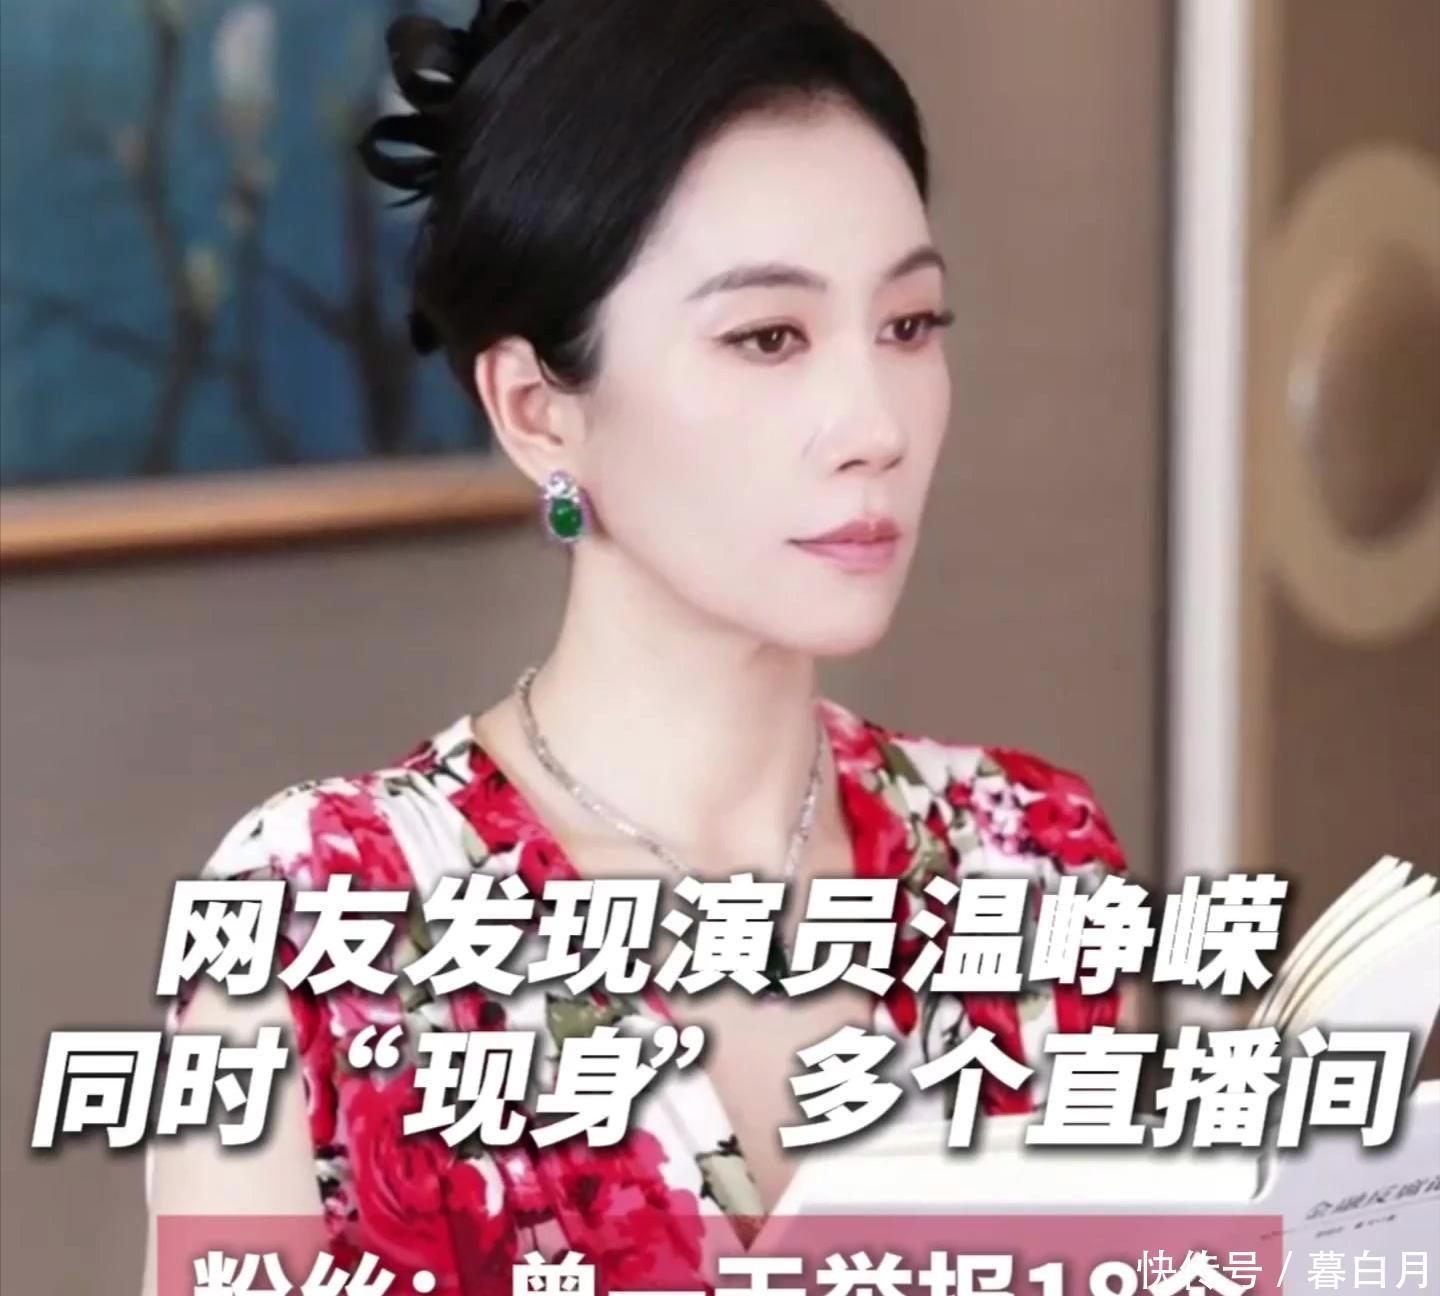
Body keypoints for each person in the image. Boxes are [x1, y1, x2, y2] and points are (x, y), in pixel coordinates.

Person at [141, 0, 1131, 1290]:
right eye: (768, 337)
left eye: (909, 326)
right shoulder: (322, 919)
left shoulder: (1030, 858)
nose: (875, 425)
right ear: (538, 411)